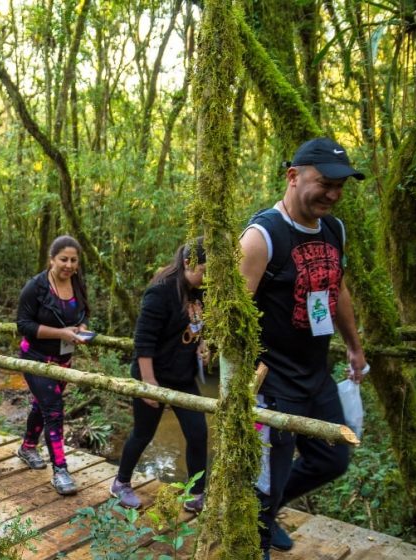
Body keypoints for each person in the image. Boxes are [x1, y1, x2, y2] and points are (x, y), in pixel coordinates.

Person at [239, 137, 368, 560]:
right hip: (272, 382)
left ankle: (268, 511)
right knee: (265, 479)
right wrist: (247, 371)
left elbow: (338, 288)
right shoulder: (262, 236)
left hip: (316, 375)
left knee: (333, 460)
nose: (332, 194)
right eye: (324, 183)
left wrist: (354, 346)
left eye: (340, 186)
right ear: (293, 177)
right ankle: (253, 540)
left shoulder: (334, 228)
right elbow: (232, 315)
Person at [111, 238, 209, 511]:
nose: (207, 277)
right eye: (204, 270)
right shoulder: (162, 291)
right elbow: (144, 340)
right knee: (143, 433)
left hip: (183, 377)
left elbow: (196, 326)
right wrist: (148, 384)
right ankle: (121, 483)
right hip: (153, 374)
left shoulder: (198, 291)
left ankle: (197, 493)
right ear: (189, 263)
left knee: (198, 433)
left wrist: (202, 344)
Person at [14, 235, 90, 496]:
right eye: (63, 259)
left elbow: (82, 314)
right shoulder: (35, 287)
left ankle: (27, 447)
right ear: (52, 259)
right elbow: (23, 325)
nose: (68, 265)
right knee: (54, 410)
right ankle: (60, 470)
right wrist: (61, 333)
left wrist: (81, 330)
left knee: (42, 405)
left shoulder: (78, 283)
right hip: (36, 358)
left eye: (73, 260)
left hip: (63, 359)